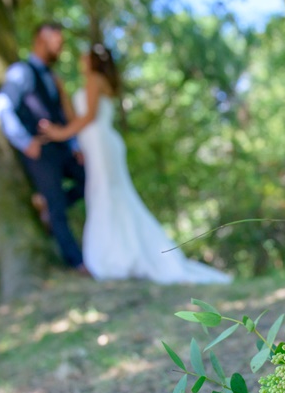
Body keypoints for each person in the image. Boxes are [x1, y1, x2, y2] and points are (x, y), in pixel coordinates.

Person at [38, 45, 231, 284]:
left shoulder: (95, 79)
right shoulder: (99, 82)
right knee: (106, 195)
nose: (81, 59)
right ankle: (119, 253)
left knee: (105, 195)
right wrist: (62, 93)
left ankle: (114, 257)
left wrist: (60, 135)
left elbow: (87, 118)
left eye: (84, 56)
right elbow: (78, 116)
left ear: (93, 61)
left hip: (99, 144)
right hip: (97, 143)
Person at [0, 21, 89, 274]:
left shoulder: (54, 77)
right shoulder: (20, 72)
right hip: (41, 152)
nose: (60, 47)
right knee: (57, 207)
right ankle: (77, 262)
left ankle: (44, 204)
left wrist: (74, 144)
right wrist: (25, 142)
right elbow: (2, 107)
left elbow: (62, 115)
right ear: (40, 39)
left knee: (90, 180)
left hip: (63, 148)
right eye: (56, 41)